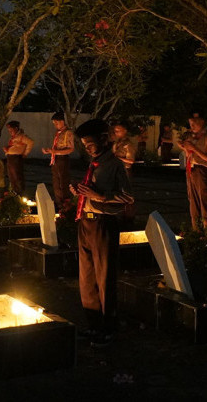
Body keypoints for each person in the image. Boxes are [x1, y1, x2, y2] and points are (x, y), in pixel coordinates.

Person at [69, 118, 133, 347]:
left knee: (104, 277)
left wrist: (99, 197)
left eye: (90, 145)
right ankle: (93, 324)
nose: (88, 149)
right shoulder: (94, 163)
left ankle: (109, 328)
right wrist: (81, 191)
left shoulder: (114, 164)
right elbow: (93, 189)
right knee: (87, 278)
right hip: (85, 223)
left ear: (104, 140)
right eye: (85, 146)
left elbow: (127, 197)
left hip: (103, 224)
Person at [178, 112, 207, 228]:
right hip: (191, 169)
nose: (192, 126)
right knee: (192, 200)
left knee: (204, 199)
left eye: (194, 123)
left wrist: (194, 149)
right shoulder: (191, 137)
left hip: (201, 170)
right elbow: (187, 149)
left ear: (202, 123)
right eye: (190, 123)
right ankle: (196, 229)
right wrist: (185, 148)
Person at [42, 112, 75, 209]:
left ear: (62, 122)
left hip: (62, 159)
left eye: (56, 123)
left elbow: (70, 149)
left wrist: (54, 151)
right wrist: (51, 151)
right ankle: (59, 202)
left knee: (63, 181)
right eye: (54, 124)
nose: (55, 125)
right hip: (55, 158)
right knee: (56, 181)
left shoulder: (67, 133)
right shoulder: (58, 133)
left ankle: (65, 203)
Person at [3, 121, 34, 195]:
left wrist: (25, 153)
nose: (10, 132)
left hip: (16, 158)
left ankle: (19, 192)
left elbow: (31, 142)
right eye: (9, 131)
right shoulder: (14, 137)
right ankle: (14, 191)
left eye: (11, 130)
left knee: (17, 176)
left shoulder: (22, 137)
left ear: (16, 128)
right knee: (11, 176)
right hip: (10, 158)